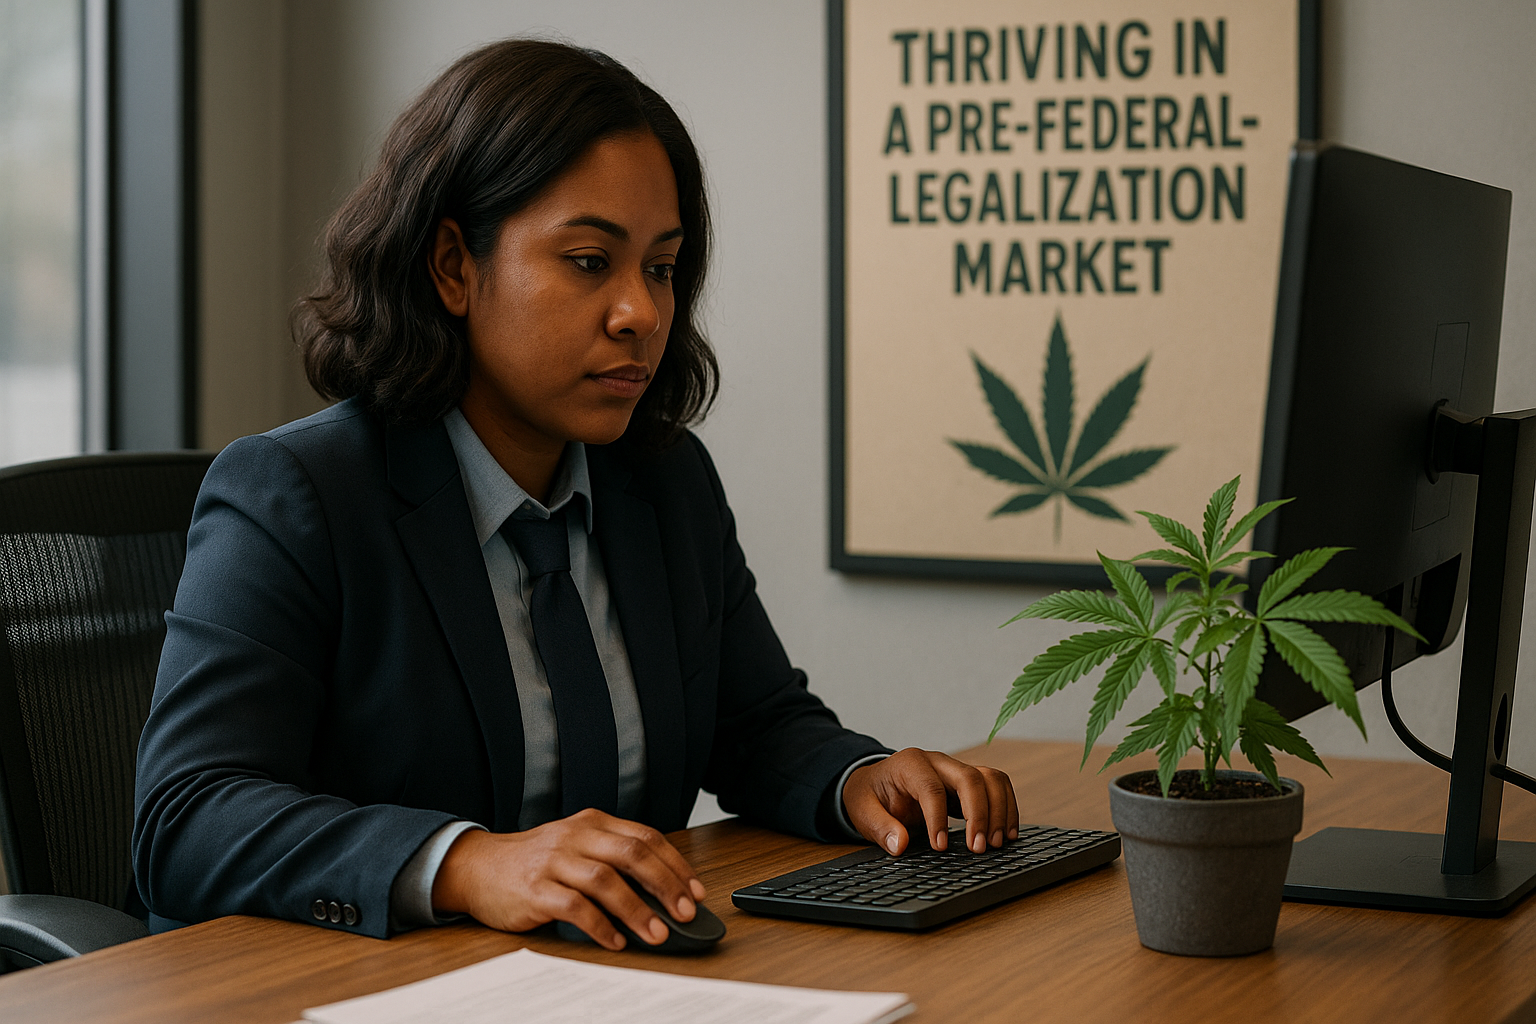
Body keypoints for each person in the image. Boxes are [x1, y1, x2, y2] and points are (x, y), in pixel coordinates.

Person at [132, 39, 1018, 951]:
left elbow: (754, 729)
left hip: (617, 982)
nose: (640, 312)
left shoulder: (663, 480)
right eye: (591, 261)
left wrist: (861, 780)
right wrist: (470, 863)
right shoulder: (298, 495)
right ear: (453, 267)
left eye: (662, 268)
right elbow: (187, 819)